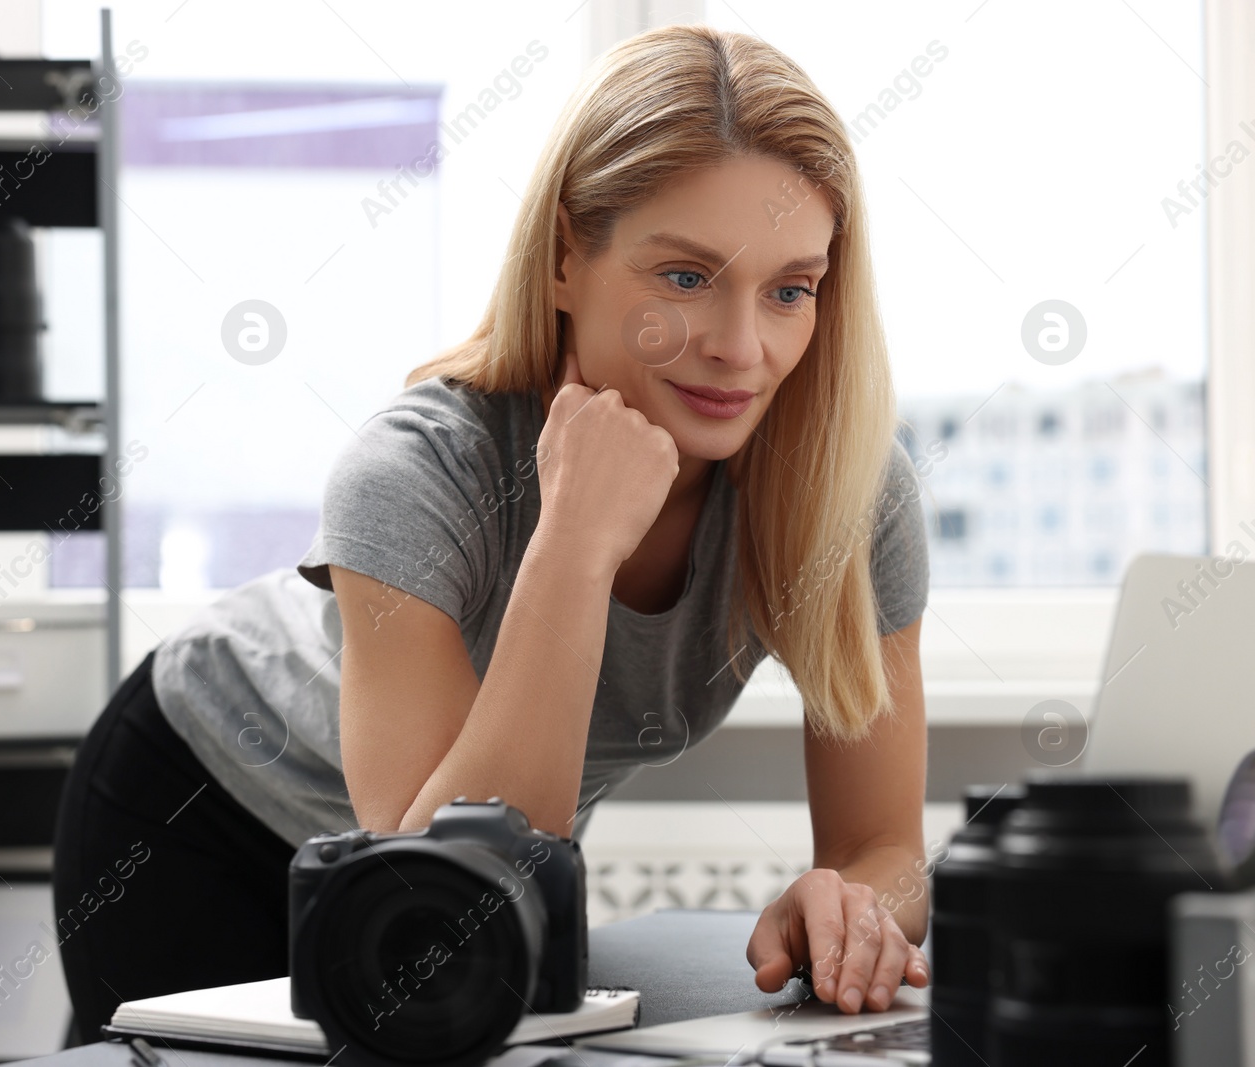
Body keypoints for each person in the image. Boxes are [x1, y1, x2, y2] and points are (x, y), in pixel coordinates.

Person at [53, 22, 933, 1044]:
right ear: (567, 255)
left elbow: (884, 843)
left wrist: (853, 904)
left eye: (790, 289)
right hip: (204, 805)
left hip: (490, 839)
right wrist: (574, 540)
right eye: (685, 277)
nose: (742, 348)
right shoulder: (421, 467)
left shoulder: (846, 491)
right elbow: (440, 887)